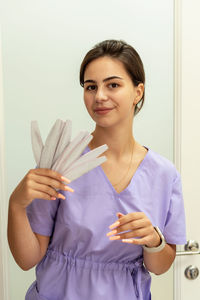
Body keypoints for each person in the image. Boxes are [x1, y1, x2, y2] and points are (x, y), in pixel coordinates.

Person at [7, 39, 186, 300]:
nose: (99, 96)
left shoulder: (164, 175)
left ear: (138, 92)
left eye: (112, 84)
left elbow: (159, 266)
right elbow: (27, 259)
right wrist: (16, 204)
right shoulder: (61, 161)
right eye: (91, 87)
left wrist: (154, 241)